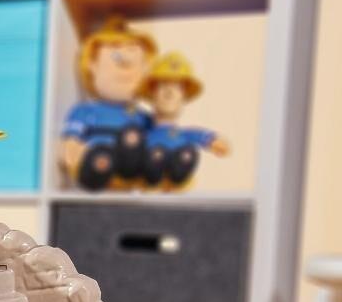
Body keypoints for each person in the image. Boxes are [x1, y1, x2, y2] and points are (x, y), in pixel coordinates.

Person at [59, 16, 157, 190]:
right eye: (115, 54)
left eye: (134, 53)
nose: (126, 64)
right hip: (98, 166)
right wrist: (72, 147)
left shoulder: (143, 117)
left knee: (133, 140)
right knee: (101, 156)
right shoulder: (86, 111)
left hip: (132, 172)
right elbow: (72, 139)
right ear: (92, 65)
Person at [139, 52, 230, 188]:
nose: (169, 92)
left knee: (187, 154)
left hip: (176, 184)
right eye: (163, 85)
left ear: (184, 97)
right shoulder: (144, 129)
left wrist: (212, 140)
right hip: (147, 182)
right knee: (155, 156)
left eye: (177, 87)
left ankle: (179, 171)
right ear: (152, 93)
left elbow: (198, 135)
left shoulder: (184, 134)